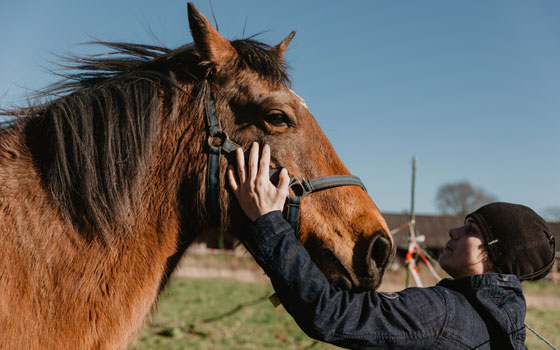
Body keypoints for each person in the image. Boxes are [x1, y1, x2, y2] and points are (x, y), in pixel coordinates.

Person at [226, 142, 556, 350]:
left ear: (495, 252)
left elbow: (330, 315)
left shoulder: (441, 313)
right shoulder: (508, 324)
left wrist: (267, 219)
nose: (453, 231)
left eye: (471, 229)